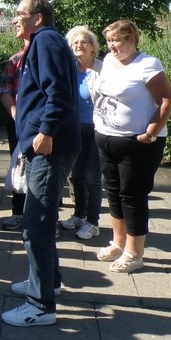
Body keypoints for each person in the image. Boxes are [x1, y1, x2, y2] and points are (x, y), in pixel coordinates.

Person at [3, 0, 80, 327]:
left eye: (19, 14)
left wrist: (46, 131)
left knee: (35, 225)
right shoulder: (41, 42)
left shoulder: (45, 40)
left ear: (37, 18)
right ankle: (48, 282)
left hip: (49, 147)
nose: (14, 19)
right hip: (41, 145)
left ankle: (40, 305)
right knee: (42, 220)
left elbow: (58, 93)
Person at [91, 20, 171, 273]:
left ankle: (135, 253)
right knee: (113, 192)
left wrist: (150, 133)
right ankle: (118, 243)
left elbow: (167, 99)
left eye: (117, 40)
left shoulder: (147, 64)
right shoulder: (108, 61)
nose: (112, 46)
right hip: (107, 138)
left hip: (137, 143)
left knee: (133, 196)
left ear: (131, 40)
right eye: (108, 41)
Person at [59, 26, 104, 240]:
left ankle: (93, 222)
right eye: (75, 42)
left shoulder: (102, 70)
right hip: (74, 128)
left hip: (97, 129)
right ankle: (79, 214)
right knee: (75, 175)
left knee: (93, 177)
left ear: (93, 47)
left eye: (84, 41)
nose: (79, 45)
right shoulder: (68, 69)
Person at [0, 41, 28, 231]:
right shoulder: (16, 60)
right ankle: (18, 212)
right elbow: (4, 90)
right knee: (19, 166)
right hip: (18, 122)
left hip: (42, 123)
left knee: (45, 170)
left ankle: (46, 217)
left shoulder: (50, 60)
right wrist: (14, 111)